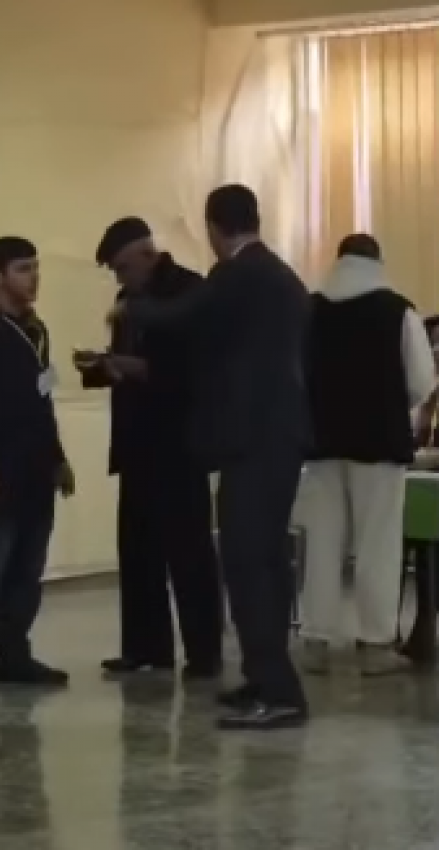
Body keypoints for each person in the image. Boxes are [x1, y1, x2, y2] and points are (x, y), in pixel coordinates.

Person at [112, 186, 310, 731]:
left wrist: (133, 307)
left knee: (248, 564)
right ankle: (263, 679)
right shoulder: (280, 276)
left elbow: (184, 314)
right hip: (276, 438)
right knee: (261, 561)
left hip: (255, 441)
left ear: (214, 228)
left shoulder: (239, 274)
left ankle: (279, 692)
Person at [73, 218, 222, 680]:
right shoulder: (129, 301)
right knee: (138, 551)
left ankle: (203, 652)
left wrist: (136, 368)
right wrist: (102, 366)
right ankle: (145, 647)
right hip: (137, 443)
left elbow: (196, 369)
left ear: (146, 255)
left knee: (189, 551)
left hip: (179, 444)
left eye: (123, 267)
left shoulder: (190, 293)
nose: (120, 278)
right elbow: (128, 363)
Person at [301, 234, 435, 676]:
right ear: (377, 261)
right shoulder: (397, 310)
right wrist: (390, 405)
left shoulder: (311, 310)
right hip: (379, 441)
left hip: (322, 442)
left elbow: (297, 373)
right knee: (378, 542)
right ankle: (376, 643)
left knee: (322, 541)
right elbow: (421, 380)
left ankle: (316, 638)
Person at [0, 236, 75, 696]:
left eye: (36, 267)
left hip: (35, 467)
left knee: (28, 566)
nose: (33, 277)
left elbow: (43, 400)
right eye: (23, 269)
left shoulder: (36, 330)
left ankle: (15, 654)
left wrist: (57, 457)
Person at [400, 314, 439, 666]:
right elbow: (416, 438)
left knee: (426, 537)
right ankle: (418, 626)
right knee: (416, 532)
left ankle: (425, 624)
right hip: (424, 485)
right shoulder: (423, 393)